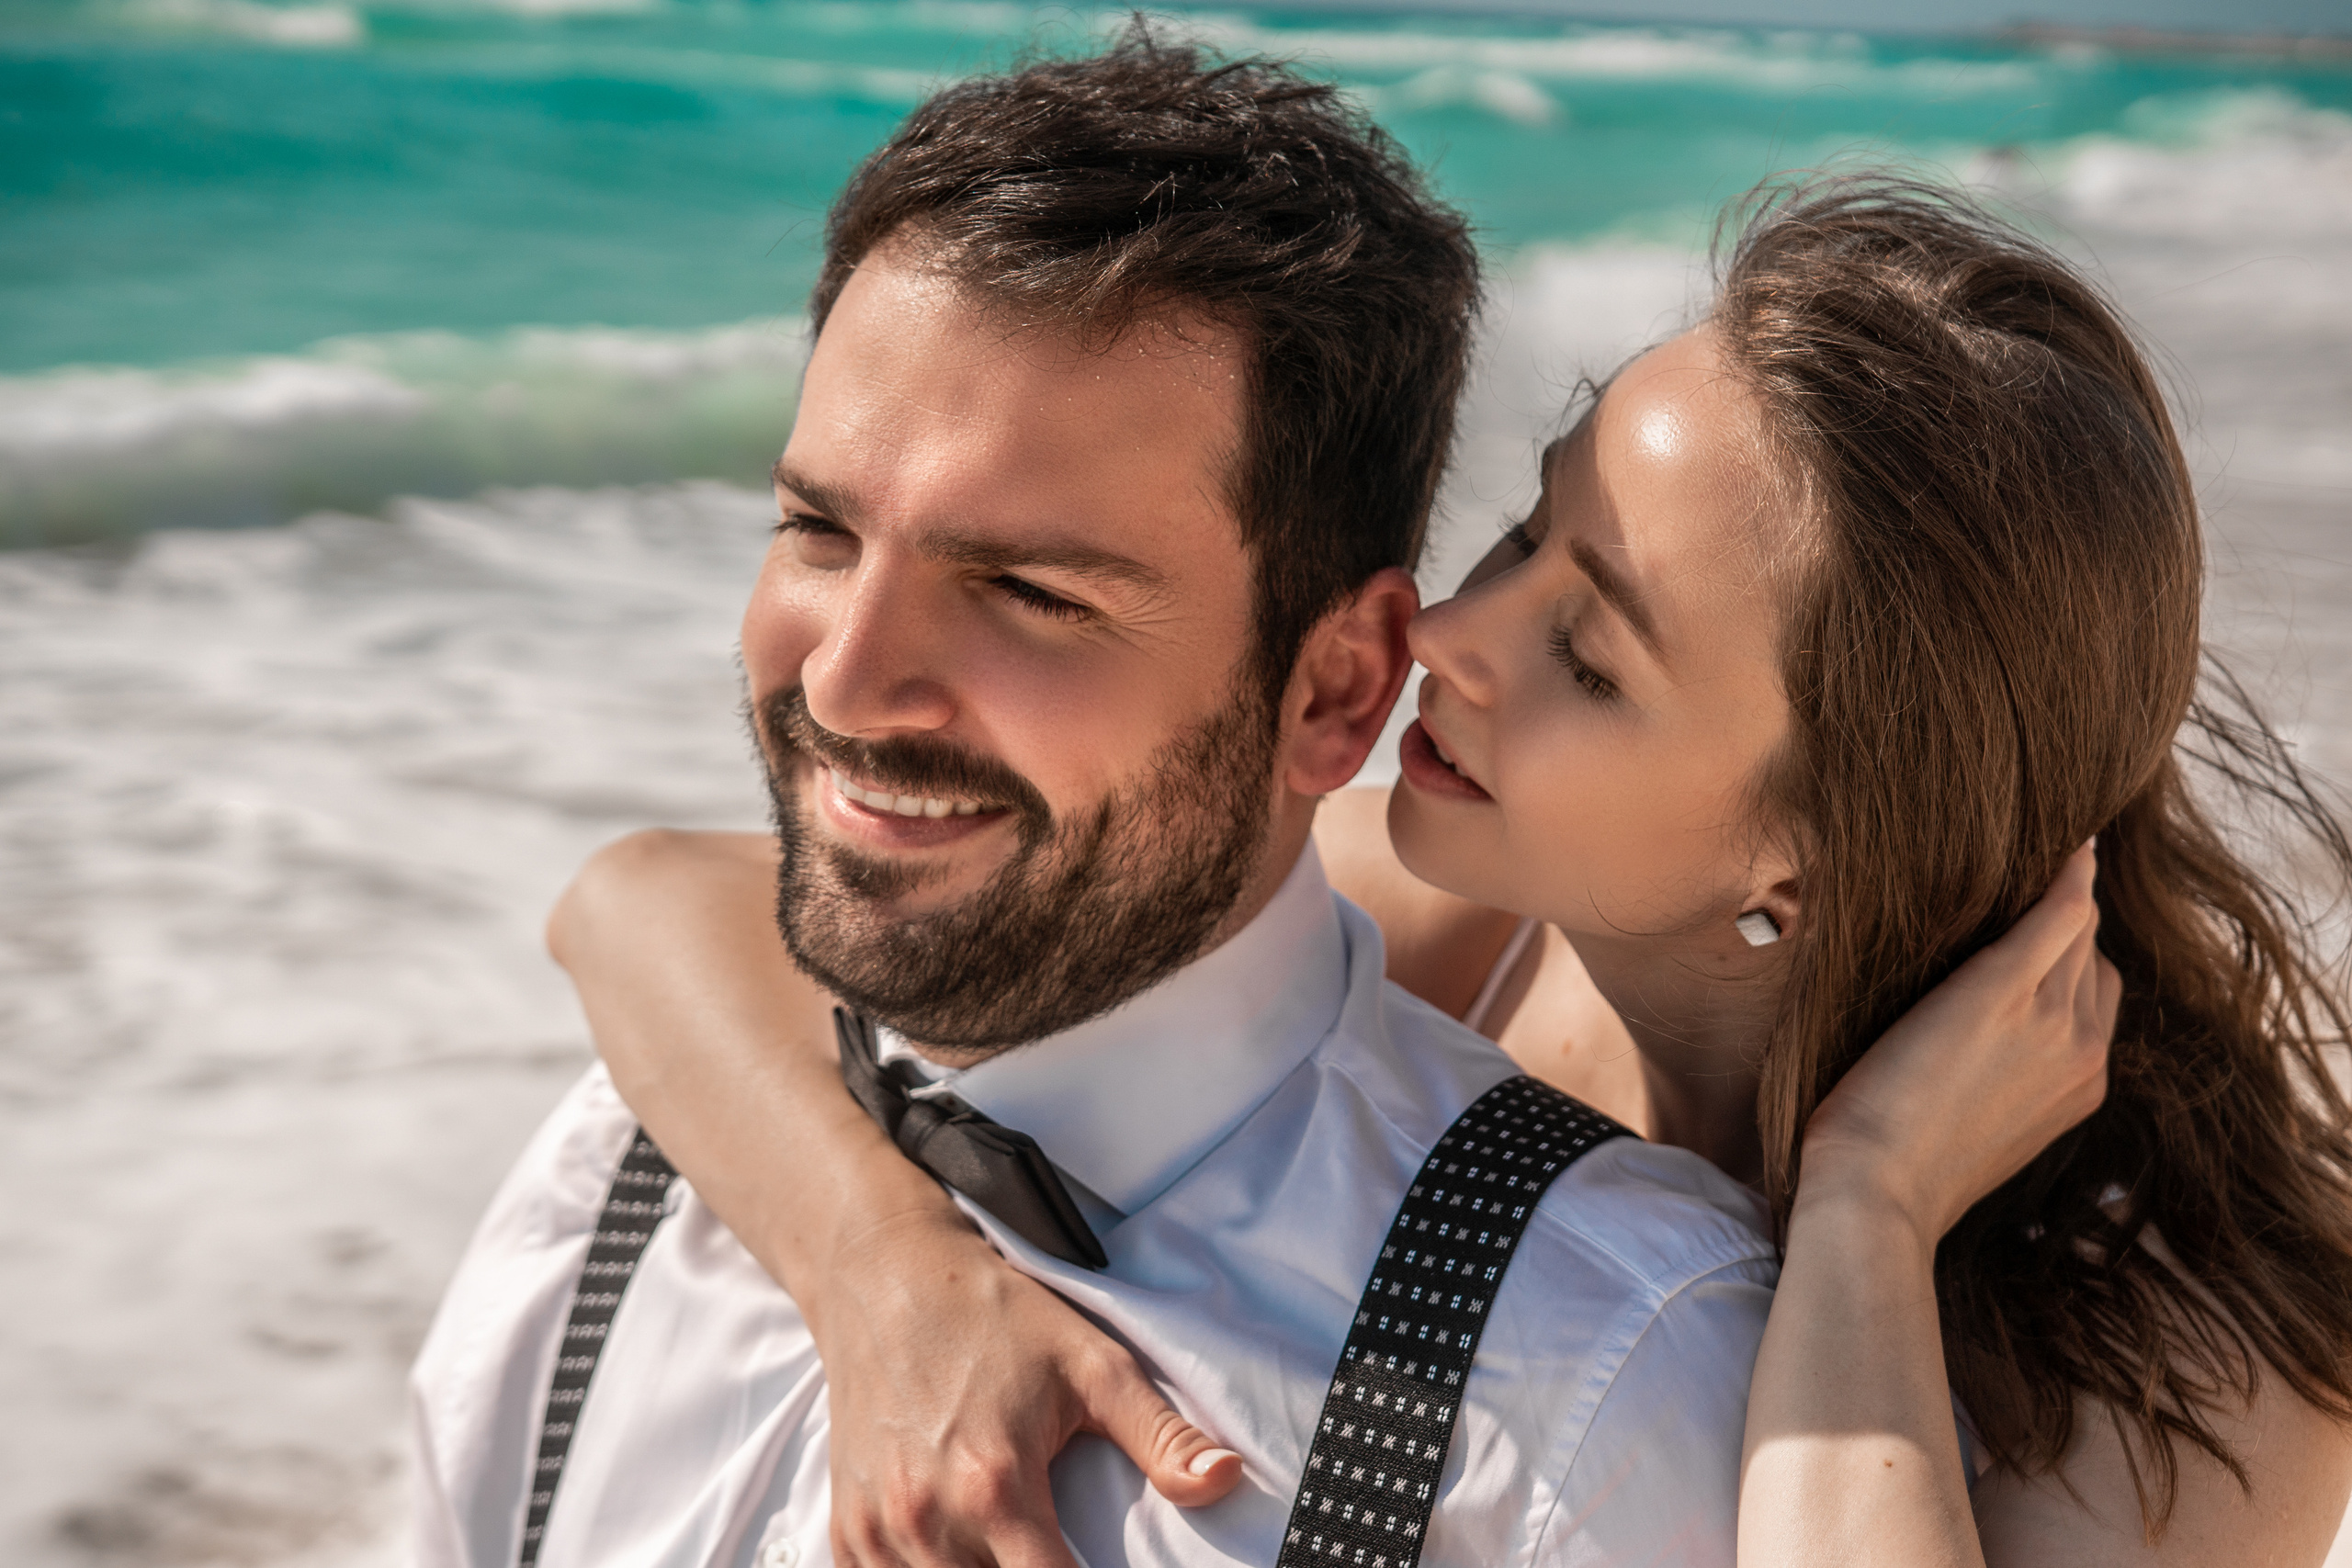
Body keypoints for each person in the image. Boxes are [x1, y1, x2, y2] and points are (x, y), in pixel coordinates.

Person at [548, 183, 2352, 1563]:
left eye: (1592, 653)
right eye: (1524, 527)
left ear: (1808, 849)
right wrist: (893, 1284)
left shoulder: (2189, 1359)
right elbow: (647, 905)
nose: (1452, 629)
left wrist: (1866, 1218)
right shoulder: (1449, 908)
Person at [405, 33, 1894, 1568]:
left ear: (1334, 690)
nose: (846, 685)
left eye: (1029, 593)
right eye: (818, 530)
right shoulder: (626, 1154)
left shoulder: (1593, 1395)